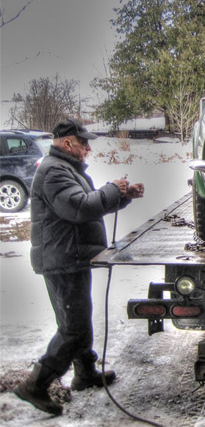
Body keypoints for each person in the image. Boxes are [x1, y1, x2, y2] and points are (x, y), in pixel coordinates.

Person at [14, 118, 145, 415]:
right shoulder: (53, 172)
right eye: (83, 143)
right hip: (62, 259)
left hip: (70, 256)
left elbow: (87, 203)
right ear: (67, 143)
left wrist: (121, 196)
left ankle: (85, 372)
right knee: (73, 328)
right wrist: (112, 189)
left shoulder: (64, 169)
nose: (88, 148)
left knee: (78, 318)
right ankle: (35, 384)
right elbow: (78, 208)